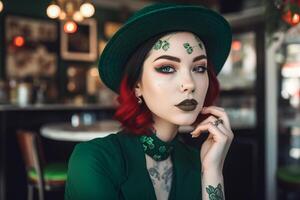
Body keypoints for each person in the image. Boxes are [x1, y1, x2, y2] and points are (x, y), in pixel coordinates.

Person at [65, 3, 233, 200]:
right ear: (137, 85)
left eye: (199, 68)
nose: (189, 84)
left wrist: (213, 172)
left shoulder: (199, 161)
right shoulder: (93, 159)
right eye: (167, 68)